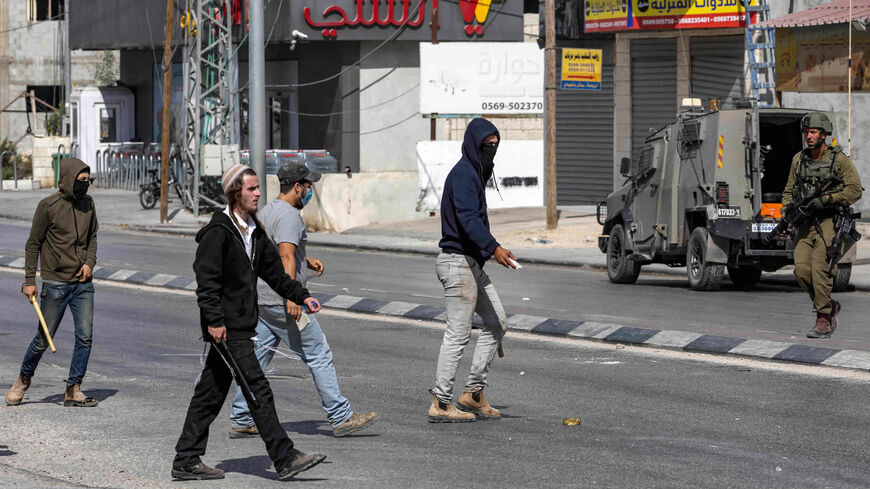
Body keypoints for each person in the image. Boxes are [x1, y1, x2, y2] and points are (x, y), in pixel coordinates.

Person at [172, 164, 326, 481]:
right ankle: (284, 457)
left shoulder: (253, 231)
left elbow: (274, 273)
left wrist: (301, 294)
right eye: (251, 189)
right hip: (226, 327)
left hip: (242, 324)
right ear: (234, 193)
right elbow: (207, 283)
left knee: (210, 394)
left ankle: (186, 459)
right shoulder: (219, 233)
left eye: (258, 188)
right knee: (257, 388)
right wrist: (214, 321)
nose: (258, 193)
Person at [228, 161, 377, 439]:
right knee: (319, 354)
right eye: (308, 186)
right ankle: (341, 416)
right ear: (297, 187)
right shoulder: (289, 217)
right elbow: (285, 255)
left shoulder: (267, 211)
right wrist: (292, 294)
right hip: (282, 301)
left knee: (257, 360)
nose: (309, 191)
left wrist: (305, 261)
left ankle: (242, 418)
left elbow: (273, 253)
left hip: (262, 299)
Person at [429, 118, 516, 423]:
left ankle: (473, 394)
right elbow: (467, 219)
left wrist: (487, 252)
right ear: (472, 144)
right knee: (458, 334)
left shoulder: (475, 173)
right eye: (486, 146)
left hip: (471, 264)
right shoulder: (465, 175)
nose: (490, 151)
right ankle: (441, 403)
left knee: (496, 322)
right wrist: (495, 247)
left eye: (494, 146)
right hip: (456, 263)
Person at [6, 158, 99, 408]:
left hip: (82, 284)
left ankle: (73, 388)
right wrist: (29, 280)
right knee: (43, 339)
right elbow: (33, 244)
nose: (85, 185)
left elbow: (92, 237)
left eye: (88, 181)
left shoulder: (88, 204)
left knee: (85, 337)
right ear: (68, 179)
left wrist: (89, 262)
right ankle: (23, 379)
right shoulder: (48, 205)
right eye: (81, 181)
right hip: (56, 283)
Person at [781, 112, 862, 339]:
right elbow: (788, 191)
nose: (809, 136)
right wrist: (788, 211)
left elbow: (855, 189)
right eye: (806, 132)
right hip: (805, 224)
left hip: (828, 222)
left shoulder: (838, 160)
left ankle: (824, 318)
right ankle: (830, 305)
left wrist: (826, 200)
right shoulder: (799, 159)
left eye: (814, 132)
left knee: (821, 269)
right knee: (801, 271)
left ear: (824, 135)